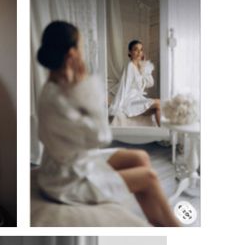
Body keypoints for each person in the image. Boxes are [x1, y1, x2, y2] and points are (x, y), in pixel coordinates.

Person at [36, 21, 180, 226]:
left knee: (139, 156)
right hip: (66, 180)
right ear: (71, 54)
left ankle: (151, 215)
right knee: (148, 177)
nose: (83, 53)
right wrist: (86, 85)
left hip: (73, 163)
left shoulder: (59, 85)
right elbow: (102, 137)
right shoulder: (59, 98)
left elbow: (146, 83)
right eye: (81, 47)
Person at [109, 40, 161, 126]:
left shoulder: (140, 67)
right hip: (130, 102)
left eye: (141, 50)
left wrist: (143, 68)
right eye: (136, 49)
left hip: (138, 99)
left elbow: (150, 83)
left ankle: (162, 133)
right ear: (130, 52)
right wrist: (117, 106)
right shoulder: (130, 66)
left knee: (158, 107)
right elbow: (124, 86)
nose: (139, 52)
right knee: (159, 103)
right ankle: (164, 133)